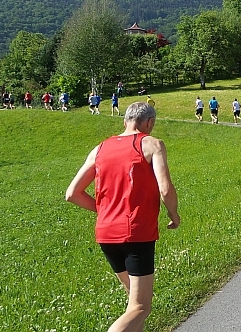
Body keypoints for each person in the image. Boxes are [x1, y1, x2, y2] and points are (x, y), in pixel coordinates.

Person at [65, 102, 180, 332]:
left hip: (106, 233)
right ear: (149, 123)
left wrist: (106, 210)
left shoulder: (100, 148)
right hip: (136, 233)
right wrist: (174, 214)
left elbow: (72, 194)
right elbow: (165, 189)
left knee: (133, 305)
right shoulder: (151, 144)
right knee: (141, 307)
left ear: (125, 121)